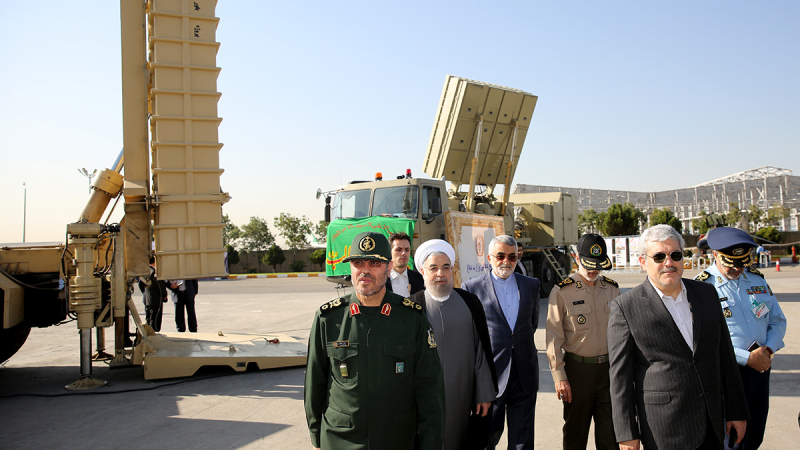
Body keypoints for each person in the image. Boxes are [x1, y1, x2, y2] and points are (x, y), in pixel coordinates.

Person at [608, 224, 749, 450]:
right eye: (659, 256)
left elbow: (725, 355)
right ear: (643, 262)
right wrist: (626, 433)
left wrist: (736, 410)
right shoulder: (626, 307)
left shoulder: (706, 293)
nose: (669, 263)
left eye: (675, 255)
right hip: (664, 428)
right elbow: (620, 378)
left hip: (711, 422)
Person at [304, 231, 444, 450]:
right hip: (340, 438)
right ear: (350, 268)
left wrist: (431, 442)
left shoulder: (411, 318)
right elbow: (315, 383)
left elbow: (430, 388)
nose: (365, 270)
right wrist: (316, 434)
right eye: (358, 263)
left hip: (395, 438)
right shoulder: (328, 319)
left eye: (374, 263)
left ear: (388, 269)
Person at [695, 227, 787, 449]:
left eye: (742, 263)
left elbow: (777, 321)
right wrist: (747, 358)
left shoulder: (757, 280)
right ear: (715, 254)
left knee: (755, 434)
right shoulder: (701, 286)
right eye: (731, 263)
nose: (737, 268)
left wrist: (768, 350)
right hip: (726, 372)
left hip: (760, 368)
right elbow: (704, 338)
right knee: (731, 437)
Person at [410, 239, 497, 450]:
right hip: (424, 400)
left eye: (445, 267)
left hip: (463, 396)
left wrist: (483, 393)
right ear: (422, 271)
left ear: (452, 270)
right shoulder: (412, 307)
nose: (441, 273)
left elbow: (481, 351)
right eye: (434, 268)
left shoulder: (469, 302)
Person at [462, 234, 541, 450]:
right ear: (489, 257)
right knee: (487, 438)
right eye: (500, 256)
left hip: (524, 373)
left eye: (512, 257)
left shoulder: (531, 285)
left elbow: (531, 324)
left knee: (522, 441)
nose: (506, 261)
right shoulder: (472, 288)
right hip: (491, 376)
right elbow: (472, 336)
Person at [546, 233, 618, 450]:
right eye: (589, 264)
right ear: (577, 258)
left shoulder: (612, 289)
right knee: (575, 434)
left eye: (599, 265)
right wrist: (560, 377)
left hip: (608, 371)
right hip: (578, 373)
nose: (594, 270)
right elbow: (554, 338)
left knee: (611, 434)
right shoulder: (562, 291)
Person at [385, 232, 425, 297]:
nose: (404, 253)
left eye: (407, 250)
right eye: (399, 250)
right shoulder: (381, 280)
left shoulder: (420, 279)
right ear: (389, 252)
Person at [138, 255, 167, 332]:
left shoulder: (145, 271)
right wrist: (165, 295)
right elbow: (160, 286)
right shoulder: (155, 272)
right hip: (156, 299)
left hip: (147, 298)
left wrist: (145, 293)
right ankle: (154, 332)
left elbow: (140, 285)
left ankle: (148, 332)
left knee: (148, 317)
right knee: (155, 318)